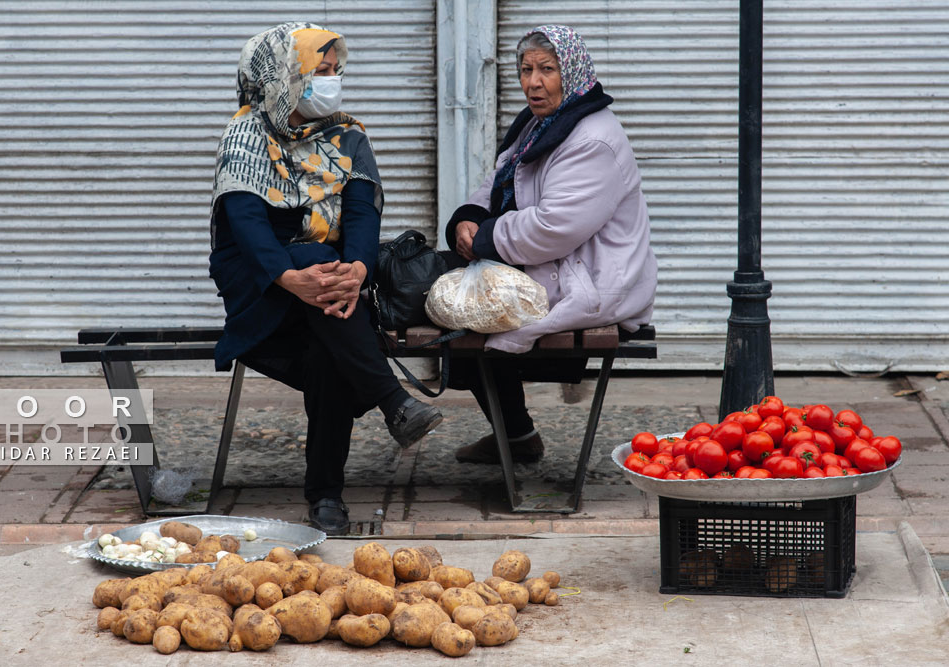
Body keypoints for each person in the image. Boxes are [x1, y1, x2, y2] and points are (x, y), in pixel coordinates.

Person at [208, 23, 442, 535]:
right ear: (283, 78)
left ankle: (327, 500)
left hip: (333, 294)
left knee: (329, 353)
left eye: (336, 72)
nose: (331, 82)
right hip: (260, 286)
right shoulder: (246, 136)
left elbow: (363, 212)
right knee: (319, 270)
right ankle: (394, 401)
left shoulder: (349, 135)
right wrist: (292, 278)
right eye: (319, 72)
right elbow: (246, 228)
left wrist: (358, 268)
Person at [445, 25, 657, 465]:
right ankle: (516, 436)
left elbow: (555, 227)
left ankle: (515, 436)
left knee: (461, 308)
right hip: (553, 265)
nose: (533, 82)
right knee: (444, 291)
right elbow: (498, 182)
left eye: (547, 69)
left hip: (589, 279)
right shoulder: (541, 123)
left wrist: (484, 240)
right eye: (526, 70)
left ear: (572, 71)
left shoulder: (592, 137)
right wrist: (467, 218)